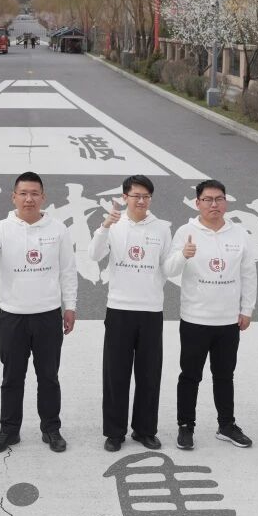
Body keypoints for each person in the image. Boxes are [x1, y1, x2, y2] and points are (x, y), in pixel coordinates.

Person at [0, 171, 77, 453]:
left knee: (49, 377)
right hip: (12, 315)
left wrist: (70, 307)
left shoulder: (58, 229)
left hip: (48, 315)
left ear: (43, 197)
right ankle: (9, 430)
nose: (29, 199)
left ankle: (51, 429)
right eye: (23, 193)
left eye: (34, 193)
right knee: (12, 377)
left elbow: (68, 271)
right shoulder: (0, 229)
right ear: (14, 197)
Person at [164, 179, 256, 450]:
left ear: (225, 201)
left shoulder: (239, 233)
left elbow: (248, 273)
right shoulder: (185, 232)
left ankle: (226, 425)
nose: (214, 204)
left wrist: (247, 309)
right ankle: (186, 426)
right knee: (190, 375)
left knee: (224, 375)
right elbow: (169, 269)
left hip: (228, 319)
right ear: (198, 203)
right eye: (207, 199)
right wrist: (183, 255)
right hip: (195, 318)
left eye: (219, 199)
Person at [89, 174, 172, 451]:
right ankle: (114, 432)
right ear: (125, 197)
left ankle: (144, 430)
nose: (141, 201)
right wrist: (104, 227)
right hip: (119, 308)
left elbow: (168, 266)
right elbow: (94, 255)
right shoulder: (114, 224)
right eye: (136, 196)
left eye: (146, 196)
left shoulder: (161, 228)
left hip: (150, 309)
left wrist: (183, 257)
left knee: (149, 373)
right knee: (116, 373)